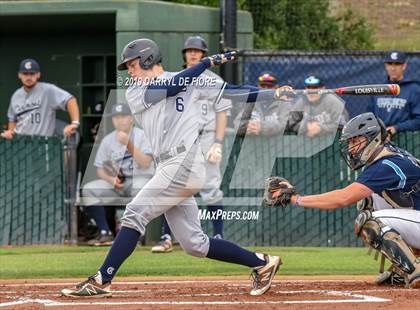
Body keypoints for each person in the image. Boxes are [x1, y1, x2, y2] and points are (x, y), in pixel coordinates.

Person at [62, 38, 287, 298]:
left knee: (134, 213)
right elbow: (171, 87)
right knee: (194, 243)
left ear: (147, 59)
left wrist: (275, 93)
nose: (129, 71)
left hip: (184, 163)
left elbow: (234, 92)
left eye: (132, 65)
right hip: (169, 165)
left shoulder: (194, 78)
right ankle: (262, 262)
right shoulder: (136, 91)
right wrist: (205, 63)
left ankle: (102, 280)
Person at [264, 112, 420, 289]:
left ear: (374, 139)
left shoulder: (387, 165)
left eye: (355, 141)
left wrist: (296, 199)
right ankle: (402, 269)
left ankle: (414, 270)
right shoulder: (388, 157)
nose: (351, 148)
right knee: (367, 201)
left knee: (370, 222)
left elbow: (342, 198)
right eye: (350, 142)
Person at [151, 36, 229, 253]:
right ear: (184, 54)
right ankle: (167, 237)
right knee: (176, 186)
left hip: (208, 136)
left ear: (204, 54)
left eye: (197, 51)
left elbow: (222, 112)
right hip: (184, 139)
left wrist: (218, 143)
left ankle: (219, 235)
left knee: (211, 188)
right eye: (189, 50)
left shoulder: (213, 80)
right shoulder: (177, 78)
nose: (193, 54)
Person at [81, 103, 154, 246]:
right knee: (89, 189)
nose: (119, 120)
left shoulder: (142, 136)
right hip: (118, 184)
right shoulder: (108, 140)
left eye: (123, 116)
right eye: (116, 117)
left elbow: (146, 162)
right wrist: (110, 179)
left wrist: (128, 144)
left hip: (140, 180)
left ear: (131, 119)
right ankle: (105, 232)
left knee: (140, 188)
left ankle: (137, 234)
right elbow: (99, 169)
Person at [2, 58, 80, 139]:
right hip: (22, 144)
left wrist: (75, 123)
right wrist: (10, 133)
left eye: (32, 73)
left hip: (42, 144)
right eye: (25, 73)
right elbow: (12, 119)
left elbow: (70, 100)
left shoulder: (48, 90)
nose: (28, 77)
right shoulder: (16, 95)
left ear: (38, 75)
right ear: (19, 75)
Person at [368, 50, 420, 137]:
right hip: (379, 138)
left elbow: (418, 120)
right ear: (385, 66)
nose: (393, 68)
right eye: (390, 64)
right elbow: (369, 117)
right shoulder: (378, 89)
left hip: (405, 139)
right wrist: (380, 130)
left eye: (397, 64)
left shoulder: (414, 89)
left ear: (404, 66)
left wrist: (396, 128)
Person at [233, 71, 291, 137]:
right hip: (252, 145)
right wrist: (246, 127)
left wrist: (262, 128)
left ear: (277, 88)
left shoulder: (284, 103)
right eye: (262, 86)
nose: (265, 89)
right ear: (258, 86)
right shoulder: (251, 102)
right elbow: (237, 122)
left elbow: (285, 125)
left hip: (277, 145)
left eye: (269, 86)